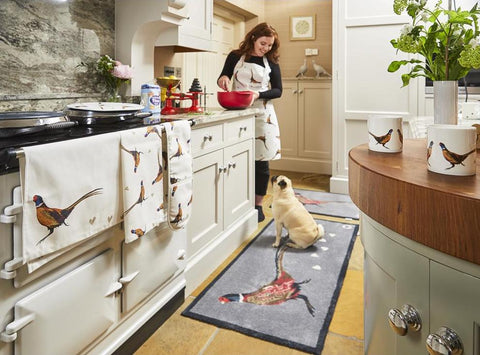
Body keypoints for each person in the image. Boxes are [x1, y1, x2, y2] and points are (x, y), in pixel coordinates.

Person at [217, 22, 282, 222]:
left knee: (260, 163)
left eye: (269, 45)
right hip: (238, 111)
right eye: (263, 43)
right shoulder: (235, 56)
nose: (266, 48)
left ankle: (257, 205)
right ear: (253, 38)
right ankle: (238, 201)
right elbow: (224, 75)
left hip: (263, 113)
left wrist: (258, 94)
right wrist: (223, 79)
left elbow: (278, 90)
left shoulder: (271, 62)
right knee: (238, 157)